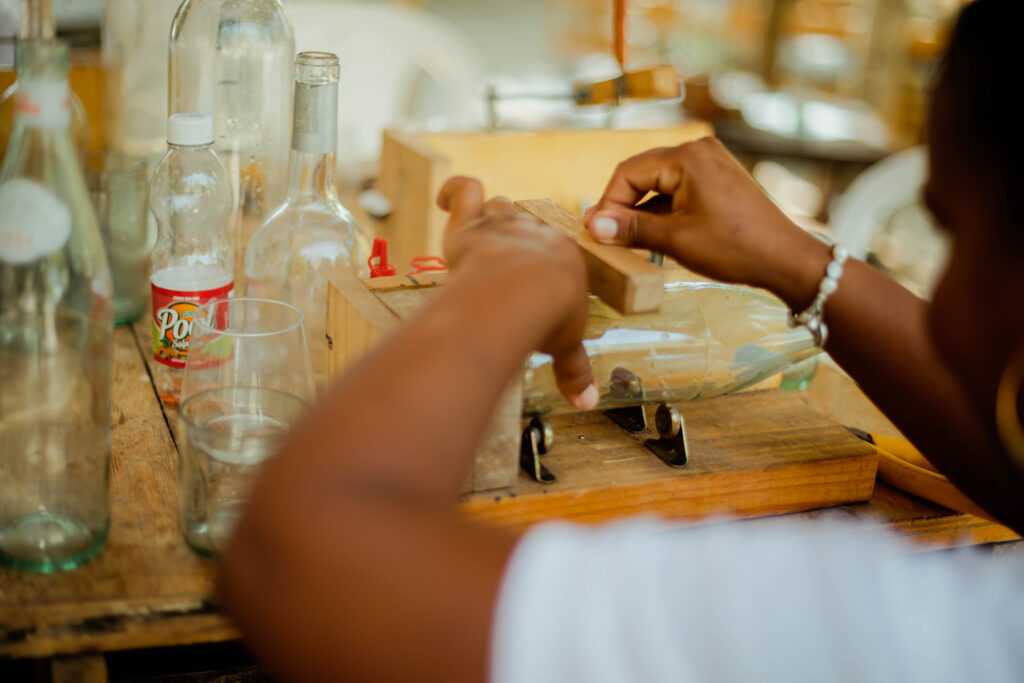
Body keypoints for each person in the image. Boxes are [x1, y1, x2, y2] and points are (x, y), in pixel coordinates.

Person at [219, 1, 1024, 680]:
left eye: (957, 236)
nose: (941, 306)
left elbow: (295, 554)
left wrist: (503, 277)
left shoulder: (921, 639)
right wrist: (798, 260)